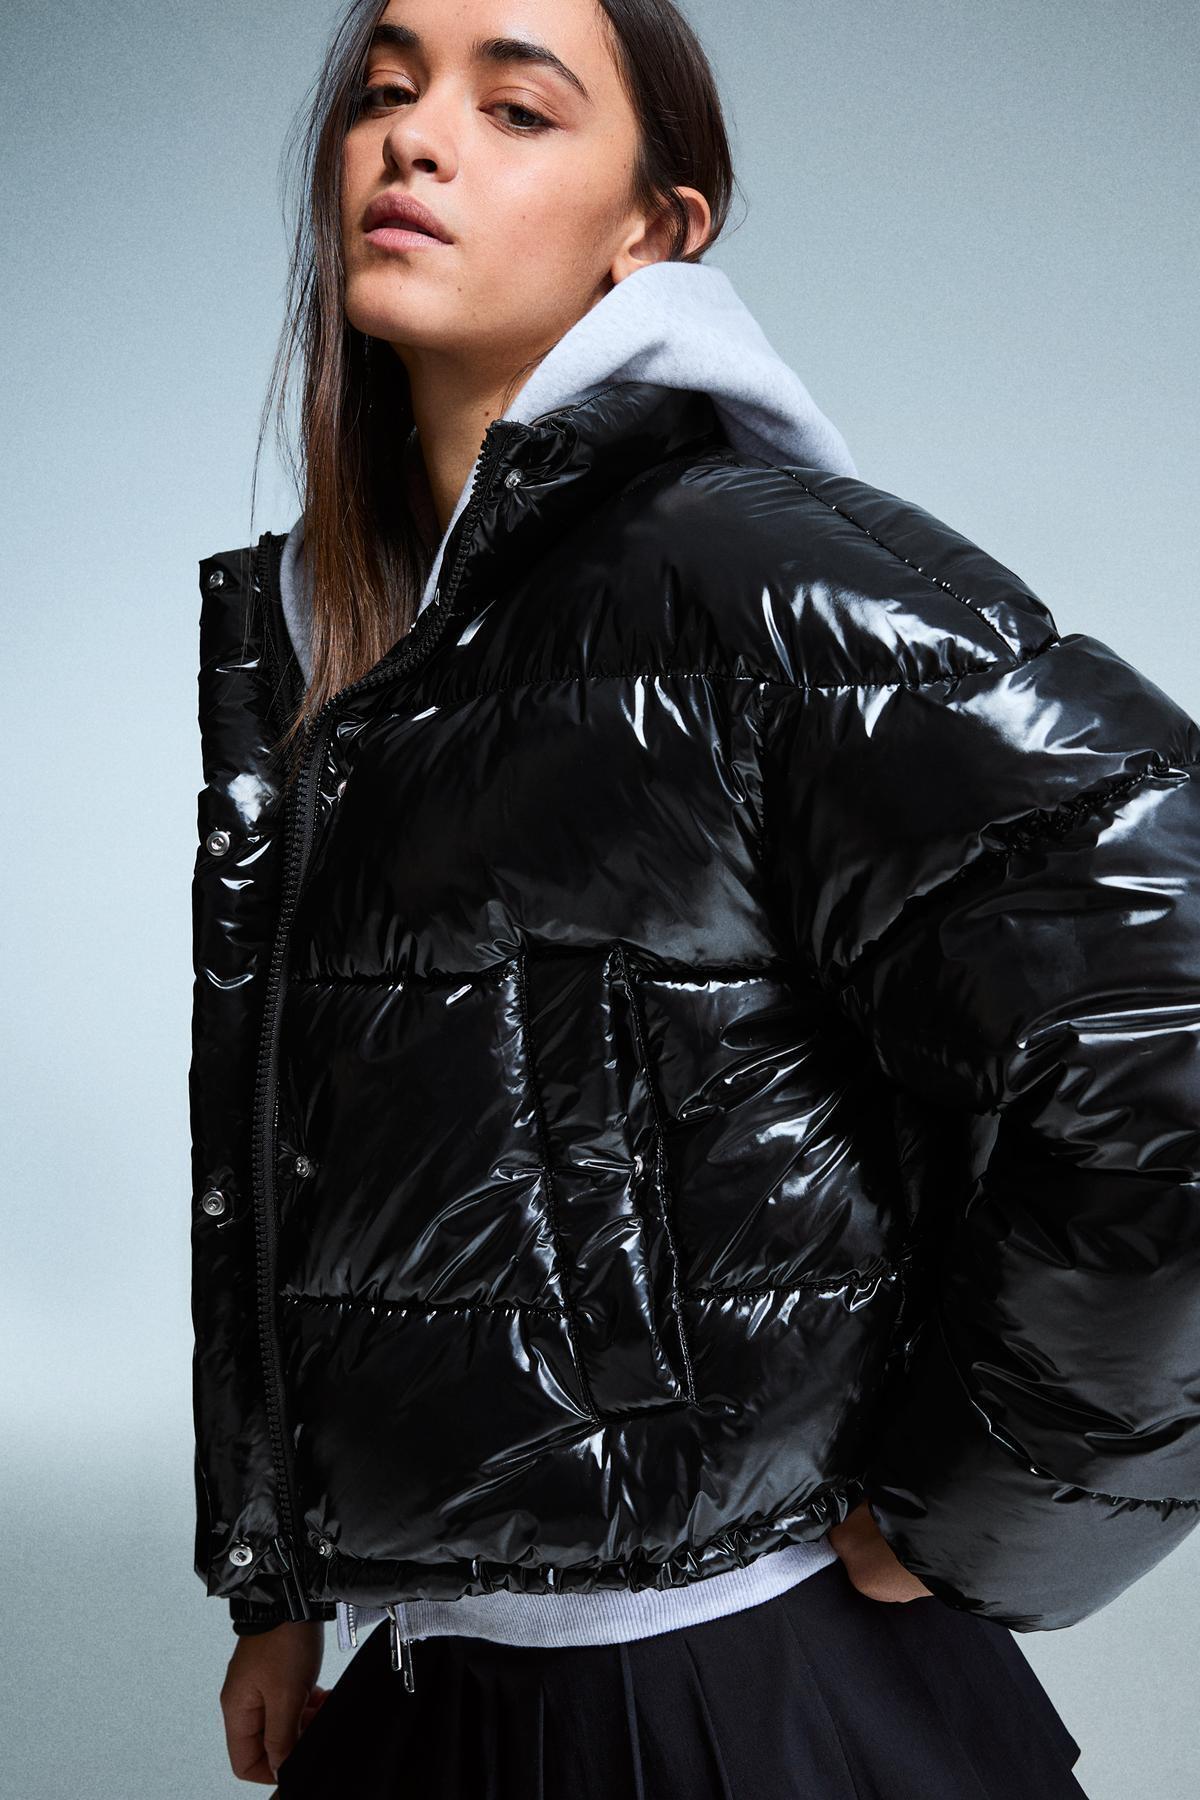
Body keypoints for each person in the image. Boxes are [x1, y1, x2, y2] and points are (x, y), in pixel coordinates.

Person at [190, 0, 1200, 1793]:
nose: (415, 137)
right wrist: (283, 1583)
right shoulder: (332, 639)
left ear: (654, 227)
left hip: (737, 1688)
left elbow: (1169, 1026)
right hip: (431, 1680)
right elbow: (296, 1152)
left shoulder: (759, 576)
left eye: (517, 108)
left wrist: (986, 1505)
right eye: (385, 90)